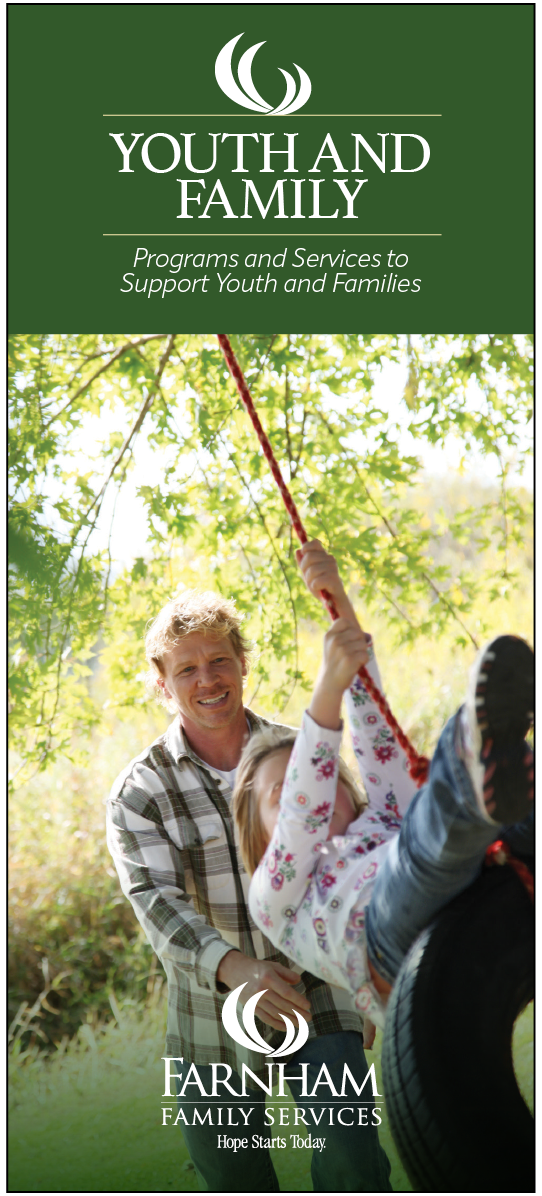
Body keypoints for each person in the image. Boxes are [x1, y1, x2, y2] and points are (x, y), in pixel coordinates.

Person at [106, 587, 393, 1192]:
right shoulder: (140, 790)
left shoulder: (302, 755)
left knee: (353, 1164)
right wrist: (237, 968)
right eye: (187, 668)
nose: (207, 680)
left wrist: (361, 977)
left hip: (318, 988)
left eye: (219, 661)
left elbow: (353, 861)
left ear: (243, 664)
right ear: (163, 682)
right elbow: (156, 902)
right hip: (211, 1011)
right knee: (235, 1178)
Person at [234, 541, 534, 1028]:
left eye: (326, 775)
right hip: (389, 942)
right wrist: (326, 688)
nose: (313, 789)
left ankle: (498, 767)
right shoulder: (273, 895)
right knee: (426, 837)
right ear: (260, 835)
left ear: (350, 792)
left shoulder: (380, 819)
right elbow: (301, 820)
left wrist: (338, 599)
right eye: (281, 794)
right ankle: (473, 754)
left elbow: (377, 734)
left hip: (480, 886)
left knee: (447, 817)